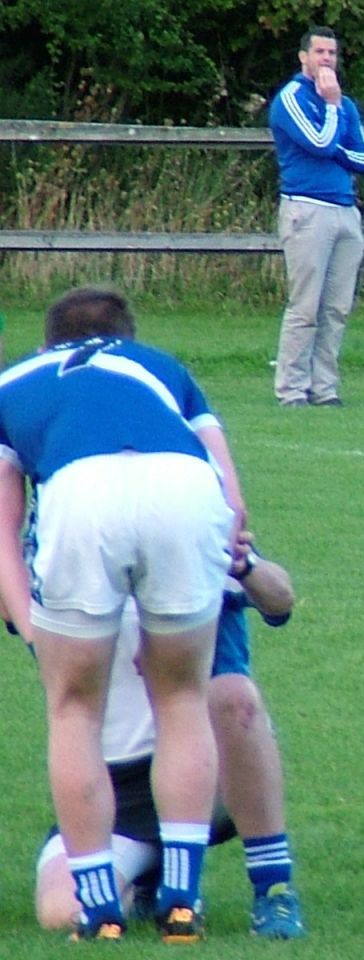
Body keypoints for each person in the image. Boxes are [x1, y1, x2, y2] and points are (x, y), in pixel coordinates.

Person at [0, 286, 246, 942]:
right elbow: (232, 499)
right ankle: (182, 900)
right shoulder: (162, 366)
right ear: (126, 336)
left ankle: (102, 906)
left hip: (82, 492)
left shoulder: (13, 382)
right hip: (181, 484)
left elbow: (1, 521)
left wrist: (29, 623)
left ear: (48, 342)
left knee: (73, 708)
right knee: (183, 698)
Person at [32, 533, 306, 940]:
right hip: (115, 790)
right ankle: (152, 878)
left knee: (233, 696)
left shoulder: (185, 531)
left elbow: (280, 600)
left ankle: (274, 886)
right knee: (61, 910)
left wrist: (245, 566)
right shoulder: (66, 545)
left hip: (211, 770)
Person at [269, 25, 364, 408]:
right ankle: (292, 389)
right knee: (306, 306)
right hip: (307, 210)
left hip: (345, 211)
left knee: (336, 307)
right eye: (320, 53)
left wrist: (334, 142)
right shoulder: (293, 98)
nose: (327, 60)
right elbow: (319, 142)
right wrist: (330, 108)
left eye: (332, 53)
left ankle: (324, 388)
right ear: (304, 57)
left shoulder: (346, 106)